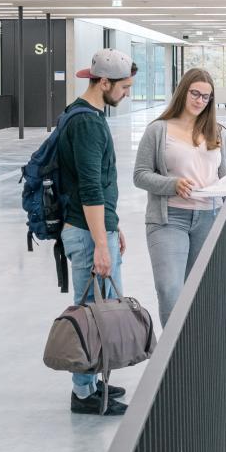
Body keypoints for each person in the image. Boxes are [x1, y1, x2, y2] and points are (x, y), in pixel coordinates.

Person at [134, 67, 226, 326]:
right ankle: (175, 349)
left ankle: (190, 340)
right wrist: (172, 184)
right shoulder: (158, 130)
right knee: (169, 288)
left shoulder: (216, 132)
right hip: (169, 219)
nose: (200, 101)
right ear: (183, 92)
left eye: (206, 97)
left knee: (197, 291)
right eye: (195, 93)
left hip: (208, 217)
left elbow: (224, 174)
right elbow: (140, 175)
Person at [58, 48, 137, 416]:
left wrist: (112, 225)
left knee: (99, 309)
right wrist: (102, 244)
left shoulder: (79, 114)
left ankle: (91, 383)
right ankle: (83, 393)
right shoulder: (88, 124)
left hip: (94, 229)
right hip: (87, 234)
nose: (127, 94)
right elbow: (90, 189)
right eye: (124, 87)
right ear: (103, 82)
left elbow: (93, 185)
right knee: (92, 313)